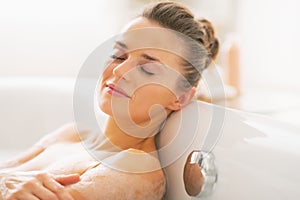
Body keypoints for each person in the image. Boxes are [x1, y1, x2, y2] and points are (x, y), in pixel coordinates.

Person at [0, 1, 219, 199]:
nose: (120, 70)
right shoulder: (74, 134)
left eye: (147, 69)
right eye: (118, 56)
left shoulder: (137, 169)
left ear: (180, 98)